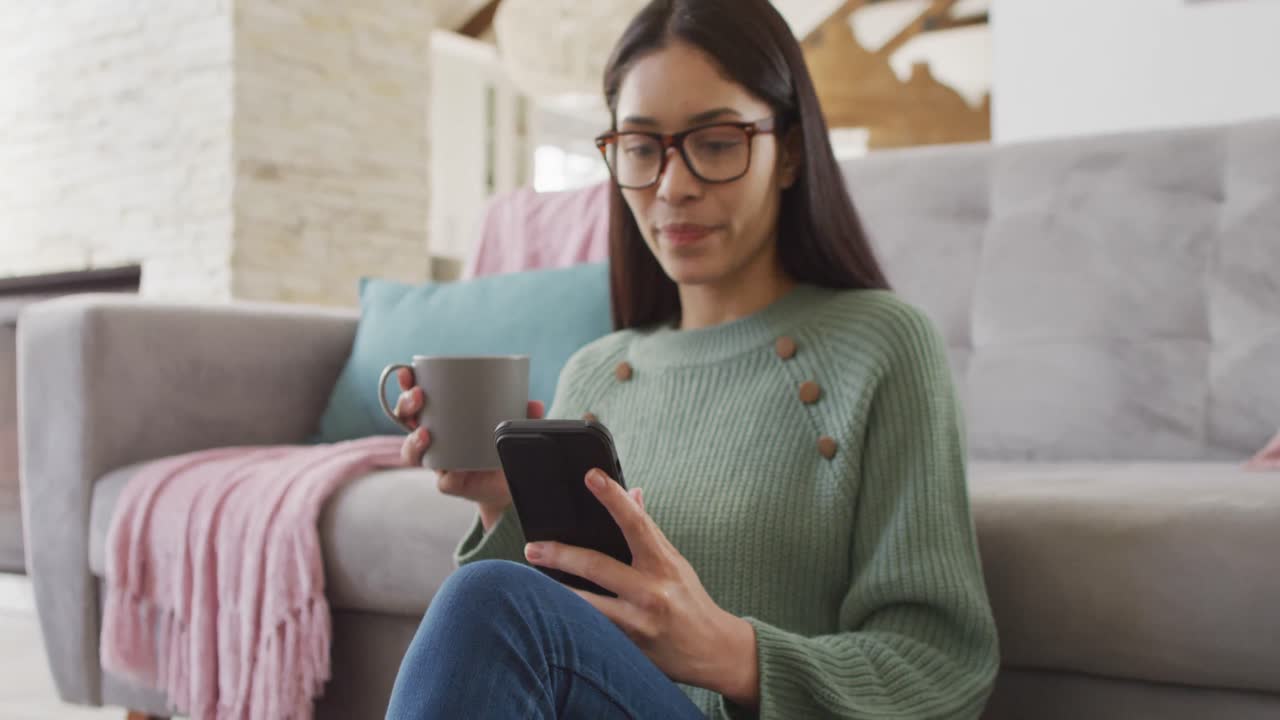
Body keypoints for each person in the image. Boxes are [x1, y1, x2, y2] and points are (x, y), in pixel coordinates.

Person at [384, 0, 999, 717]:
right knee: (486, 598)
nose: (673, 186)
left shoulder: (884, 346)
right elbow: (537, 654)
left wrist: (729, 651)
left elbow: (942, 666)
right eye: (642, 148)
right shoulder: (594, 371)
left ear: (790, 151)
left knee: (487, 601)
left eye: (714, 140)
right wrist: (502, 504)